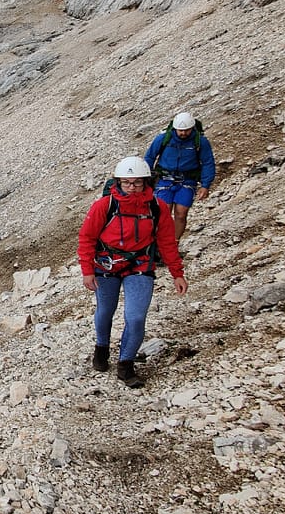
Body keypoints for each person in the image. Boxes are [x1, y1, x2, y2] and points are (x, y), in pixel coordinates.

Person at [78, 156, 188, 388]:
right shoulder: (104, 206)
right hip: (106, 265)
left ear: (146, 182)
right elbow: (87, 238)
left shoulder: (156, 208)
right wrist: (87, 270)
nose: (132, 187)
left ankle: (126, 365)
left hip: (140, 265)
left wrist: (177, 272)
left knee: (136, 317)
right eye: (127, 183)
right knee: (106, 310)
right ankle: (101, 348)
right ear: (118, 182)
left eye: (137, 183)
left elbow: (167, 241)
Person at [144, 111, 216, 241]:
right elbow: (150, 157)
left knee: (181, 214)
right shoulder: (163, 139)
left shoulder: (200, 141)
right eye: (180, 130)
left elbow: (208, 162)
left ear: (192, 128)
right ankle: (159, 243)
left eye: (186, 130)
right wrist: (146, 178)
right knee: (163, 212)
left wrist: (205, 185)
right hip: (164, 179)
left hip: (187, 181)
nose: (183, 133)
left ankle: (173, 243)